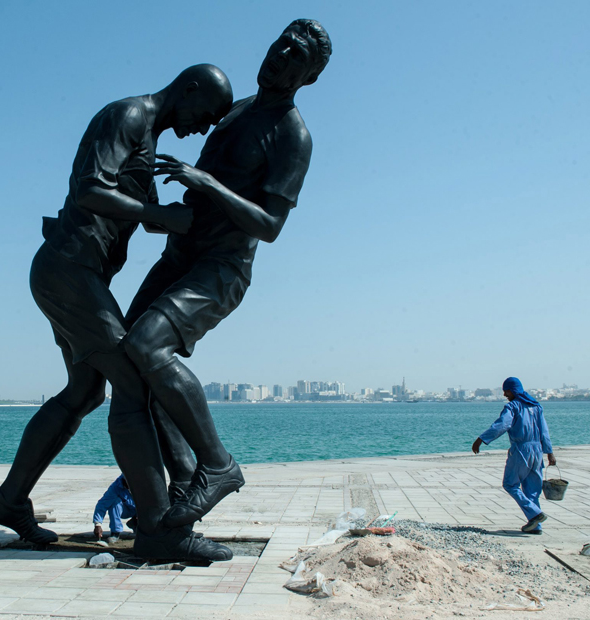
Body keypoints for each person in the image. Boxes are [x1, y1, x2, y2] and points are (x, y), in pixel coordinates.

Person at [0, 64, 234, 562]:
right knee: (133, 380)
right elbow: (89, 190)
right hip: (68, 272)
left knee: (84, 391)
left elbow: (149, 218)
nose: (202, 127)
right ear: (189, 89)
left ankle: (9, 501)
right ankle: (160, 530)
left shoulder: (149, 140)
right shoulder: (128, 115)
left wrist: (206, 197)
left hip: (79, 277)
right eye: (206, 115)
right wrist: (161, 215)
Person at [121, 19, 332, 528]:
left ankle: (218, 465)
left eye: (296, 56)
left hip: (221, 269)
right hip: (179, 257)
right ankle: (184, 483)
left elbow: (271, 225)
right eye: (281, 43)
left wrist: (207, 184)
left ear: (308, 77)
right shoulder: (236, 112)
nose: (281, 55)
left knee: (148, 347)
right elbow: (199, 194)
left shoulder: (292, 135)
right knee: (128, 359)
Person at [472, 377, 556, 534]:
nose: (504, 394)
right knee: (532, 490)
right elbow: (544, 432)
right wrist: (549, 453)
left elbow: (502, 424)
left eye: (507, 390)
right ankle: (535, 526)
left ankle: (535, 514)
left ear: (514, 390)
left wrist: (481, 439)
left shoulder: (513, 407)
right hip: (537, 452)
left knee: (510, 484)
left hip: (521, 450)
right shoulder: (536, 407)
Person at [93, 475, 137, 543]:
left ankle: (135, 523)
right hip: (126, 510)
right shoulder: (116, 486)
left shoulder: (145, 483)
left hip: (141, 510)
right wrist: (97, 524)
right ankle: (115, 532)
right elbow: (103, 504)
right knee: (114, 502)